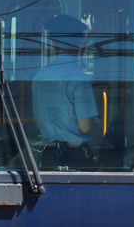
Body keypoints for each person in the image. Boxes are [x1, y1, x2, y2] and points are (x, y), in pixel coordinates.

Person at [32, 15, 100, 169]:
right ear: (79, 42)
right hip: (75, 156)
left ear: (53, 42)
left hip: (49, 155)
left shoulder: (39, 76)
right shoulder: (78, 77)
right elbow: (85, 126)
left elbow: (38, 124)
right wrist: (96, 122)